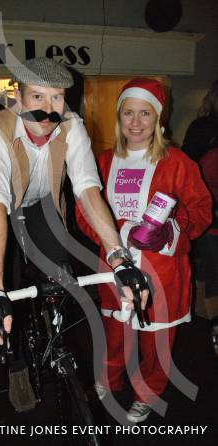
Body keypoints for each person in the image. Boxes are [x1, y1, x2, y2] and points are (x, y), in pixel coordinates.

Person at [0, 58, 149, 349]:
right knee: (4, 285)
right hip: (2, 210)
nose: (48, 108)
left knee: (60, 275)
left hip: (44, 206)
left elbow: (89, 192)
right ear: (18, 98)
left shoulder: (71, 124)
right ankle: (15, 356)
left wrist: (119, 258)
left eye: (57, 97)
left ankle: (54, 330)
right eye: (37, 96)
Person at [76, 77, 212, 423]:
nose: (135, 122)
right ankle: (108, 380)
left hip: (162, 272)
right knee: (115, 334)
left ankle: (147, 393)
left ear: (159, 120)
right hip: (115, 268)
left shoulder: (178, 162)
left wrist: (169, 232)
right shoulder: (103, 162)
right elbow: (84, 211)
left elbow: (201, 211)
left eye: (145, 114)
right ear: (119, 118)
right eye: (128, 113)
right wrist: (119, 233)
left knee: (156, 343)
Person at [182, 80, 218, 352]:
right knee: (211, 268)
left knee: (208, 267)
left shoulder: (201, 128)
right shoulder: (204, 130)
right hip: (207, 214)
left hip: (205, 213)